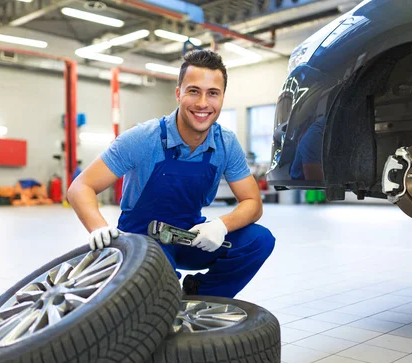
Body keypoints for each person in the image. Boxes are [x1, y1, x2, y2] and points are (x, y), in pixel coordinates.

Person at [67, 50, 275, 298]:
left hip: (188, 236)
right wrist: (98, 228)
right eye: (193, 91)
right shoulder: (144, 138)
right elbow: (80, 187)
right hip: (143, 238)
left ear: (222, 97)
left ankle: (201, 294)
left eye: (212, 93)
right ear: (178, 93)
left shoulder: (226, 143)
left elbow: (253, 203)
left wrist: (220, 225)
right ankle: (165, 297)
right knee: (162, 297)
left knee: (259, 241)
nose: (202, 103)